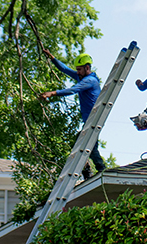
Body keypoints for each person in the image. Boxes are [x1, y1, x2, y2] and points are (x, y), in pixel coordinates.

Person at [39, 49, 106, 180]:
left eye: (79, 69)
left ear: (87, 68)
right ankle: (88, 171)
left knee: (90, 146)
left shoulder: (90, 81)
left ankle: (100, 169)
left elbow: (73, 90)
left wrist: (52, 93)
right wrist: (52, 58)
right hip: (88, 120)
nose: (77, 72)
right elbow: (65, 69)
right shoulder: (82, 76)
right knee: (82, 143)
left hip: (94, 119)